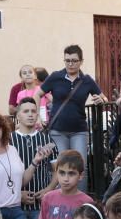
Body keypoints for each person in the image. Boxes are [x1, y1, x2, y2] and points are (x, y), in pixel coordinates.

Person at [33, 44, 106, 190]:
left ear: (81, 61)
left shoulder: (86, 80)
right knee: (61, 166)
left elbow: (103, 97)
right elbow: (37, 94)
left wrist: (100, 100)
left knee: (80, 167)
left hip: (79, 130)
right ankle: (62, 202)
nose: (70, 64)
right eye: (67, 60)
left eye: (74, 60)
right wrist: (37, 117)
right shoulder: (55, 77)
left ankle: (80, 203)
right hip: (57, 130)